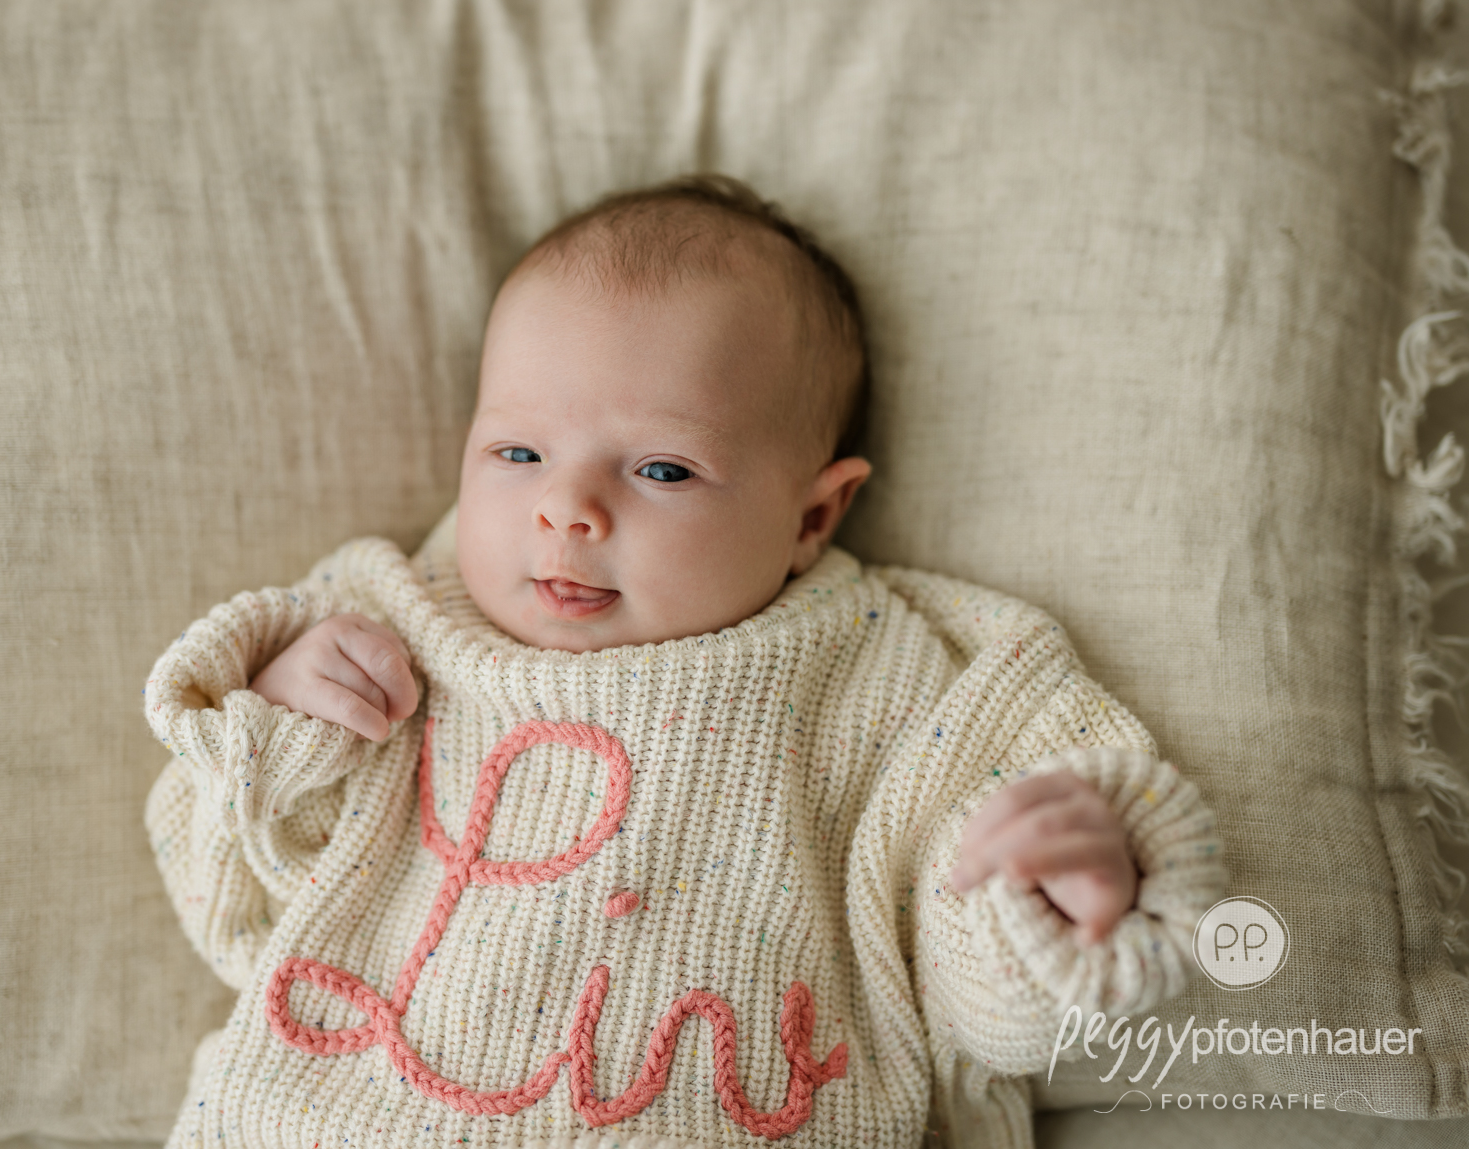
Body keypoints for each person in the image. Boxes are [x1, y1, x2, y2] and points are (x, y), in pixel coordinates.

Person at [142, 175, 1222, 1149]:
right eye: (518, 452)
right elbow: (231, 911)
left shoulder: (890, 680)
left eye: (661, 469)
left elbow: (977, 1002)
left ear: (813, 516)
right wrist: (276, 733)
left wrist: (1050, 903)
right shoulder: (383, 628)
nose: (567, 507)